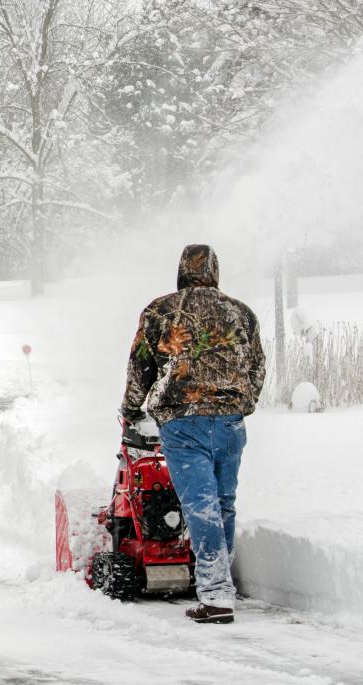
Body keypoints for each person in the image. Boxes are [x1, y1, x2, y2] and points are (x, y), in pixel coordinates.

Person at [121, 244, 266, 624]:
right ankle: (220, 583)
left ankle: (217, 595)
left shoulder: (160, 311)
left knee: (201, 506)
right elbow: (257, 366)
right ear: (215, 271)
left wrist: (131, 409)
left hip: (184, 424)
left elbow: (140, 368)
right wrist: (241, 403)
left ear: (182, 270)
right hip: (231, 421)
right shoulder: (241, 313)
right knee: (223, 502)